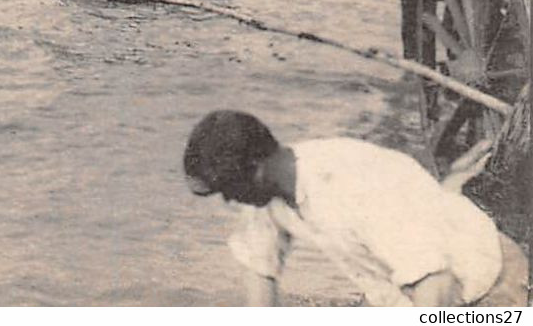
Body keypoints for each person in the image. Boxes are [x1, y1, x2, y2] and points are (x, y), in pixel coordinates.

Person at [182, 110, 528, 307]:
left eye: (229, 189)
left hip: (486, 285)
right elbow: (259, 270)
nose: (230, 200)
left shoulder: (353, 186)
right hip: (403, 293)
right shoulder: (264, 193)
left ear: (256, 165)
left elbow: (436, 282)